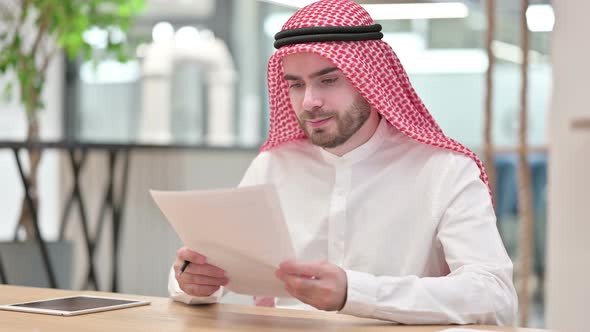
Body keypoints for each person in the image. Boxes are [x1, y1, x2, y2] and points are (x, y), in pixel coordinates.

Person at [168, 0, 517, 325]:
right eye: (296, 85)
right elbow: (209, 268)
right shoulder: (273, 165)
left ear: (370, 80)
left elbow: (495, 296)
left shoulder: (445, 170)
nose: (309, 102)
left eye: (329, 80)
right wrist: (193, 281)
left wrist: (355, 292)